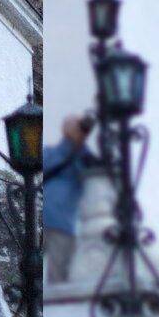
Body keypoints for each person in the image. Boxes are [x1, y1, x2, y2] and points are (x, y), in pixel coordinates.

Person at [41, 114, 96, 284]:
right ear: (65, 129)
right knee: (30, 271)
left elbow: (92, 174)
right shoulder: (50, 153)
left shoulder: (85, 157)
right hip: (43, 220)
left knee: (57, 281)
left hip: (63, 226)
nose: (81, 130)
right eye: (77, 126)